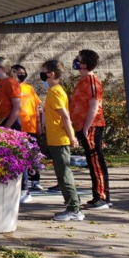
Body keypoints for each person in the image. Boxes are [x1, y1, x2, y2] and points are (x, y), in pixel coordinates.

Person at [42, 60, 84, 222]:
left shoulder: (55, 91)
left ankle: (74, 209)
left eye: (44, 71)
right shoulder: (54, 91)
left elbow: (65, 116)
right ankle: (73, 206)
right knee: (61, 174)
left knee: (64, 174)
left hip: (60, 139)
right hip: (56, 138)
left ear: (51, 74)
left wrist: (71, 136)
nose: (43, 75)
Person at [71, 49, 112, 209]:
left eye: (78, 58)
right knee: (91, 161)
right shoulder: (82, 80)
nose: (75, 60)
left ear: (84, 64)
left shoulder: (92, 81)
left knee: (96, 161)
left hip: (92, 126)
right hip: (83, 126)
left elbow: (94, 105)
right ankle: (99, 195)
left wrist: (87, 126)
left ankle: (102, 197)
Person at [13, 64, 43, 204]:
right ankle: (24, 186)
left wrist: (38, 125)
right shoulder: (11, 87)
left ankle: (35, 180)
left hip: (30, 126)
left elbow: (36, 107)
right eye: (19, 73)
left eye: (23, 73)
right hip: (18, 128)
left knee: (34, 155)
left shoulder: (29, 88)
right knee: (22, 157)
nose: (21, 75)